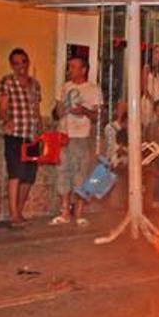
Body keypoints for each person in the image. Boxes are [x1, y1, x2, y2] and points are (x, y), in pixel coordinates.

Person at [51, 56, 102, 226]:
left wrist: (84, 111)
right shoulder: (65, 87)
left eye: (73, 66)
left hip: (82, 136)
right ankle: (65, 212)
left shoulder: (93, 89)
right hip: (64, 135)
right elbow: (57, 112)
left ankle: (79, 213)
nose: (70, 69)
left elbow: (96, 116)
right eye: (69, 66)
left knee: (81, 175)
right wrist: (62, 109)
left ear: (84, 69)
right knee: (63, 172)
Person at [0, 48, 41, 227]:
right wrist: (6, 120)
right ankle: (13, 214)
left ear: (27, 62)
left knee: (29, 176)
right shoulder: (6, 82)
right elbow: (2, 107)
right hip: (15, 135)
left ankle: (19, 211)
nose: (20, 65)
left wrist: (41, 131)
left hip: (31, 135)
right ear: (11, 65)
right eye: (16, 62)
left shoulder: (35, 84)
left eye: (23, 61)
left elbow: (36, 109)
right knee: (15, 173)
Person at [142, 43, 159, 124]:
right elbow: (144, 88)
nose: (157, 55)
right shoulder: (146, 68)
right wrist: (153, 102)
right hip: (148, 100)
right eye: (156, 52)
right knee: (148, 122)